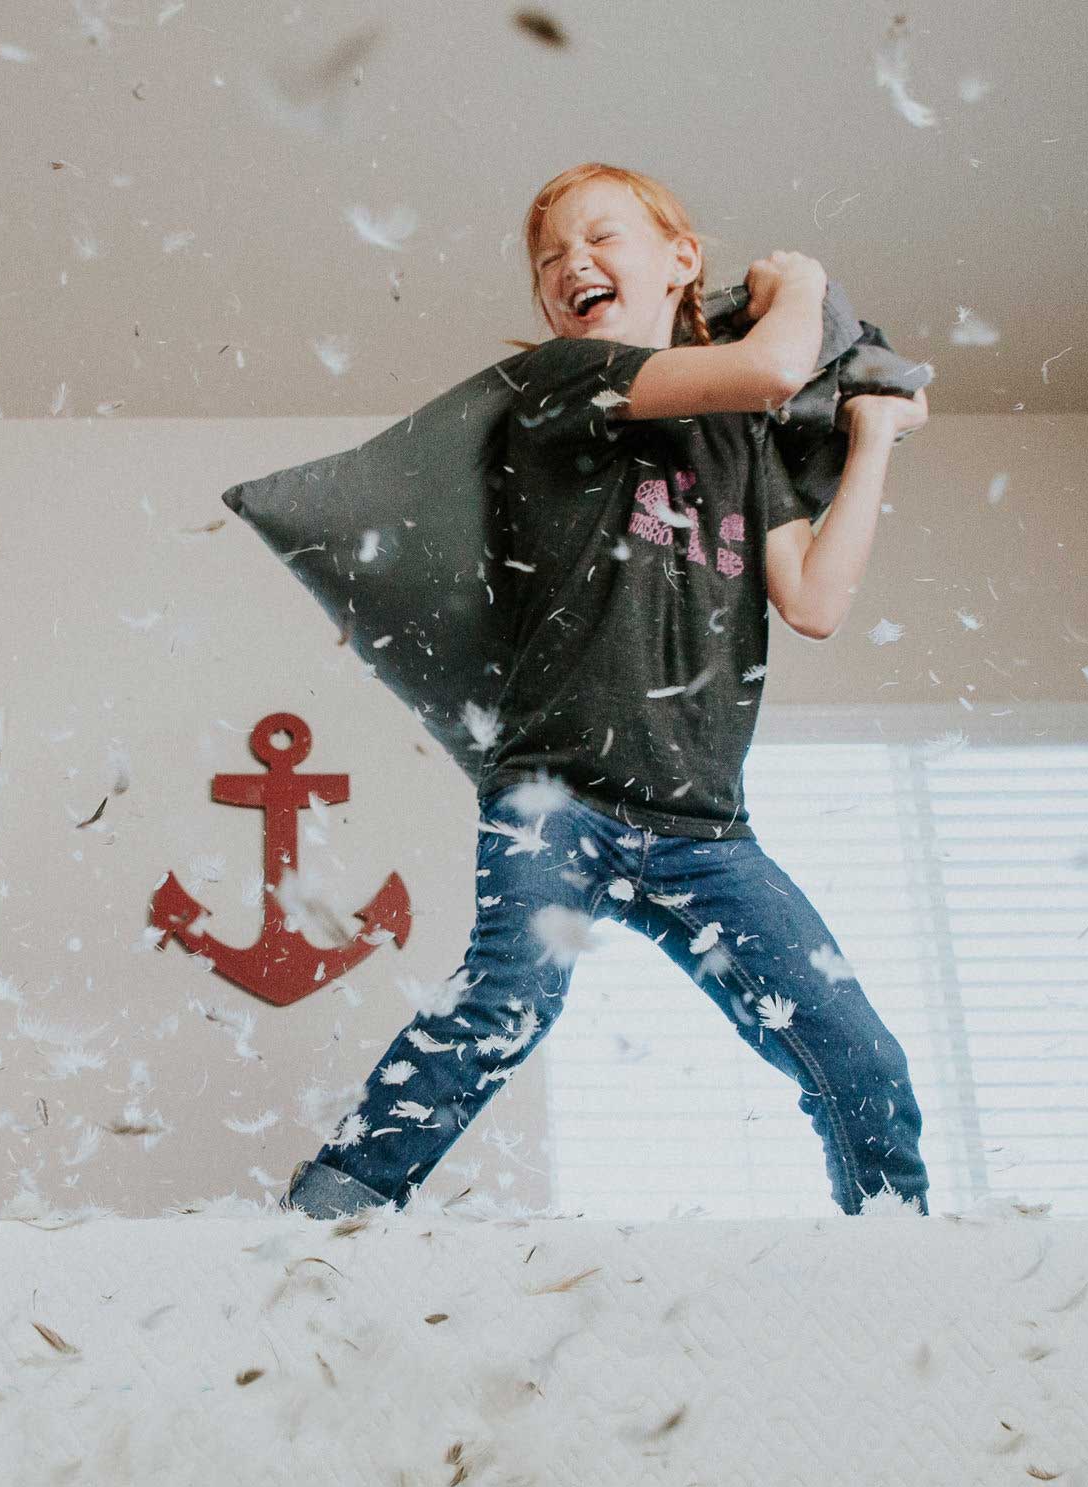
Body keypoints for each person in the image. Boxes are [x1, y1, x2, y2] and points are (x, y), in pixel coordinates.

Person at [285, 164, 933, 1219]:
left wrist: (868, 438)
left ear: (682, 261)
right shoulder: (565, 378)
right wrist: (802, 282)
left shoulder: (745, 441)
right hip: (558, 797)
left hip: (704, 827)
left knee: (858, 1055)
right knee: (503, 1002)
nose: (571, 265)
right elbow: (774, 363)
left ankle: (907, 1249)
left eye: (600, 240)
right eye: (550, 259)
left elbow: (814, 598)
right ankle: (317, 1222)